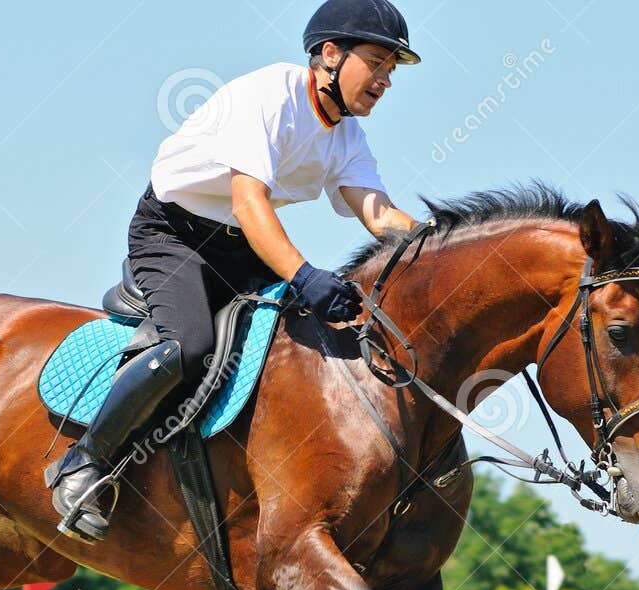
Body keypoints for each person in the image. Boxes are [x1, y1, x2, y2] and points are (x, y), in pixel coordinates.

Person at [48, 0, 428, 542]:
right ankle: (82, 464)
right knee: (190, 345)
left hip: (242, 249)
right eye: (378, 62)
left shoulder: (347, 134)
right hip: (174, 234)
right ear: (329, 54)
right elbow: (250, 203)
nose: (386, 80)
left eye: (393, 70)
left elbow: (378, 212)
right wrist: (304, 275)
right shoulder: (269, 96)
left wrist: (446, 244)